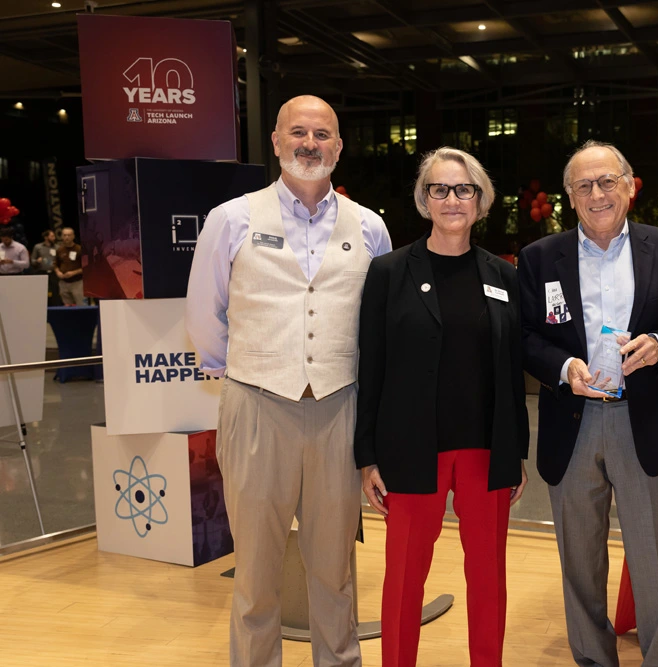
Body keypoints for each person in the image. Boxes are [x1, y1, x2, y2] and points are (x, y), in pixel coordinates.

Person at [186, 95, 392, 667]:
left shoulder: (370, 227)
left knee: (335, 568)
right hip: (256, 406)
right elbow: (205, 314)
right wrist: (252, 370)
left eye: (322, 134)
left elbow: (379, 326)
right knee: (256, 570)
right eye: (297, 132)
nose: (310, 143)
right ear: (275, 142)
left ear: (339, 147)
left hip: (339, 409)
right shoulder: (232, 219)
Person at [518, 140, 658, 667]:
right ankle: (593, 660)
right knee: (579, 562)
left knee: (653, 562)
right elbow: (527, 338)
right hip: (572, 424)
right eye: (584, 185)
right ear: (569, 196)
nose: (597, 193)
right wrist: (563, 369)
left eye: (607, 182)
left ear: (629, 186)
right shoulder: (540, 258)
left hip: (643, 422)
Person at [355, 147, 529, 667]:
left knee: (488, 578)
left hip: (484, 449)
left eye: (464, 190)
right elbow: (373, 366)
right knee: (404, 577)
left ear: (481, 201)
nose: (452, 200)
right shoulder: (388, 272)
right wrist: (368, 455)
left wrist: (515, 450)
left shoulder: (504, 275)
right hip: (410, 451)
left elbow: (512, 371)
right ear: (423, 199)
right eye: (440, 189)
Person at [54, 227, 85, 303]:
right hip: (63, 283)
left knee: (82, 306)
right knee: (67, 307)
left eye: (69, 235)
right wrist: (58, 272)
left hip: (78, 283)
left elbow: (87, 267)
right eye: (64, 235)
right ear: (61, 237)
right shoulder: (59, 250)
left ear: (73, 236)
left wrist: (74, 272)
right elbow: (55, 264)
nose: (66, 237)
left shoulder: (79, 249)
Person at [32, 229, 61, 304]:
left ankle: (56, 308)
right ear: (46, 237)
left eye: (54, 236)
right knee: (42, 292)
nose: (54, 238)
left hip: (54, 273)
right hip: (41, 272)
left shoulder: (57, 247)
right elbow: (32, 260)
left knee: (55, 292)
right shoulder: (38, 247)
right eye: (52, 236)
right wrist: (37, 261)